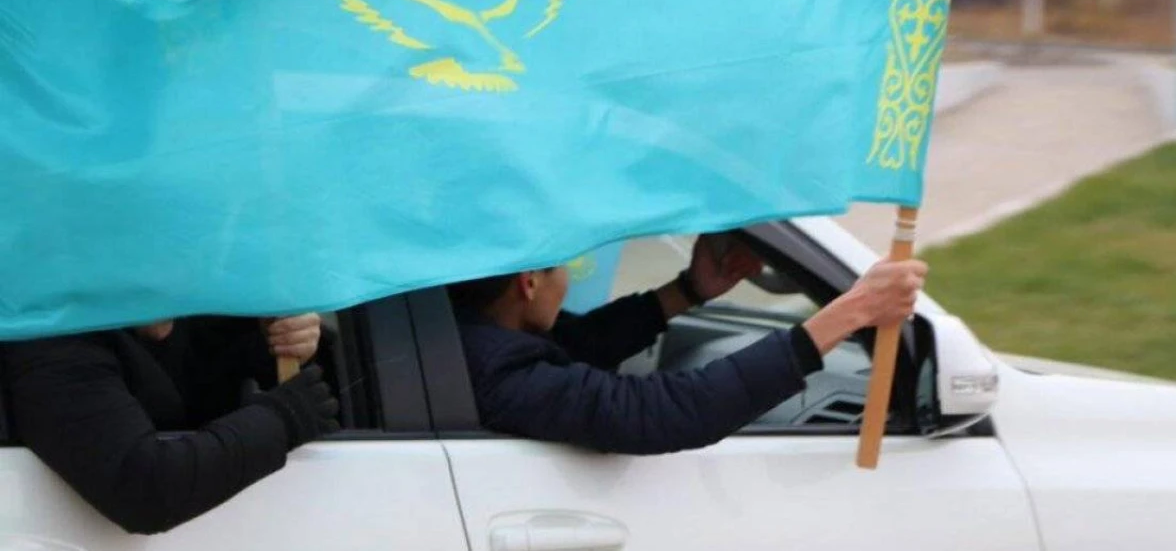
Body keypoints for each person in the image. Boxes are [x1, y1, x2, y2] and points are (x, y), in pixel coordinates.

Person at [449, 234, 927, 455]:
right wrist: (851, 312)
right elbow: (664, 411)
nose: (568, 280)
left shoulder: (459, 337)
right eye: (564, 267)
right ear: (529, 281)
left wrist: (689, 290)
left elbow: (575, 343)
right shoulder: (495, 371)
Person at [1, 314, 340, 534]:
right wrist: (283, 418)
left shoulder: (154, 320)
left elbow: (193, 388)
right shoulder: (52, 339)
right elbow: (143, 489)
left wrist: (278, 345)